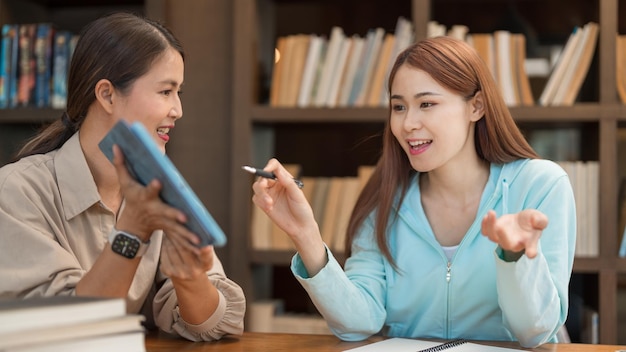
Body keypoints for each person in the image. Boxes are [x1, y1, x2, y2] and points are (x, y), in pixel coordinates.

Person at [251, 36, 575, 348]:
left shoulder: (540, 185)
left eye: (427, 104)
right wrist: (305, 235)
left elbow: (536, 332)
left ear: (476, 106)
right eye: (399, 107)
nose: (408, 124)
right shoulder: (384, 198)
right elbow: (357, 323)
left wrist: (514, 256)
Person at [0, 12, 245, 341]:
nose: (178, 110)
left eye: (178, 93)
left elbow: (218, 325)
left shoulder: (157, 190)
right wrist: (132, 232)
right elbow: (62, 331)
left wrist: (190, 280)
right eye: (165, 92)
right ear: (107, 95)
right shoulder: (17, 191)